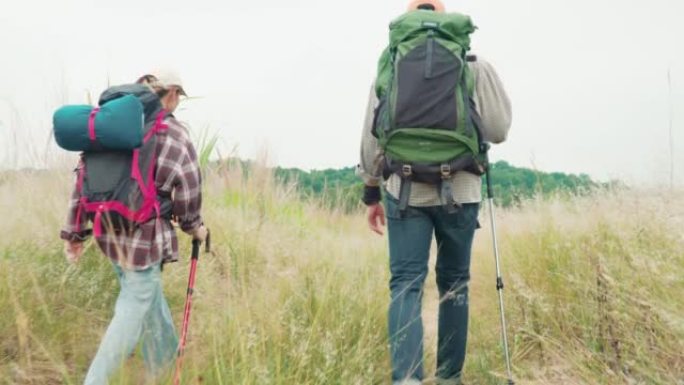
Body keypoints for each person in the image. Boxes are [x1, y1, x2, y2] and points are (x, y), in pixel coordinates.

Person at [356, 1, 512, 384]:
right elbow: (498, 130)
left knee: (406, 284)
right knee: (455, 281)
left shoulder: (389, 64)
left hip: (404, 189)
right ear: (445, 19)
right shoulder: (474, 65)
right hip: (461, 187)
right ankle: (448, 378)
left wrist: (371, 193)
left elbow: (371, 140)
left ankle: (407, 379)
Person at [60, 70, 207, 385]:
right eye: (179, 96)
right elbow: (189, 189)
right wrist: (195, 227)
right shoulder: (173, 134)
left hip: (108, 232)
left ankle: (164, 359)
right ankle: (95, 380)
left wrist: (74, 233)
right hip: (144, 241)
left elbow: (82, 180)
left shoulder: (114, 128)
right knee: (131, 308)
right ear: (172, 93)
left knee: (147, 298)